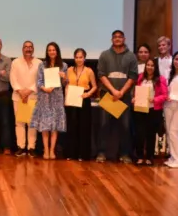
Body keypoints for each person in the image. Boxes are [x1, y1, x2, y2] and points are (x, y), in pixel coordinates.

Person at [96, 30, 138, 164]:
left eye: (120, 37)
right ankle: (101, 153)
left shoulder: (131, 56)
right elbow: (101, 74)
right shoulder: (104, 55)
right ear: (111, 40)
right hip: (108, 96)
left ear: (124, 39)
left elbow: (133, 76)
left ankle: (125, 154)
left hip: (124, 97)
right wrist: (113, 91)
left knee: (125, 126)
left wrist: (121, 92)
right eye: (115, 37)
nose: (118, 39)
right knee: (103, 125)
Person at [31, 42, 67, 160]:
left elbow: (65, 83)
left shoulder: (64, 66)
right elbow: (39, 81)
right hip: (45, 97)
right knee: (45, 126)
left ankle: (52, 150)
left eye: (54, 50)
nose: (51, 52)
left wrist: (64, 77)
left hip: (57, 97)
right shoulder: (42, 65)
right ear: (47, 52)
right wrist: (44, 88)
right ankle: (45, 150)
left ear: (57, 51)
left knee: (55, 125)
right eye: (49, 50)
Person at [132, 58, 168, 166]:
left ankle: (149, 157)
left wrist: (155, 99)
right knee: (139, 134)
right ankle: (139, 156)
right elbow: (135, 91)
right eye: (148, 65)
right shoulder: (140, 78)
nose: (150, 67)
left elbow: (165, 95)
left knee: (150, 134)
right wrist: (134, 98)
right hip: (140, 109)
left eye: (152, 65)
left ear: (155, 67)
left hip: (153, 110)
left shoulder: (160, 79)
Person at [64, 48, 97, 161]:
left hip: (84, 98)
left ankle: (83, 154)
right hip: (72, 98)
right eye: (77, 57)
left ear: (84, 58)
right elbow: (67, 85)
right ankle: (71, 153)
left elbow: (95, 86)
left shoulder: (89, 71)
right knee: (72, 126)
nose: (79, 59)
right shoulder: (69, 70)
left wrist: (88, 94)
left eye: (81, 57)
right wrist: (66, 98)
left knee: (83, 127)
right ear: (74, 58)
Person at [10, 40, 41, 157]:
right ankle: (21, 147)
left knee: (32, 123)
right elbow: (13, 79)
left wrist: (28, 91)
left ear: (33, 49)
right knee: (19, 123)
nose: (28, 49)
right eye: (26, 47)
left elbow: (39, 80)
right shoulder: (15, 62)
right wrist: (20, 91)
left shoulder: (39, 63)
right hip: (18, 97)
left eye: (30, 47)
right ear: (22, 49)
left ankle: (31, 147)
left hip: (33, 96)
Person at [156, 36, 173, 157]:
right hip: (157, 94)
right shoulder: (155, 60)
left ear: (169, 46)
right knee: (157, 121)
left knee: (169, 122)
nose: (162, 47)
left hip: (170, 94)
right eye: (160, 45)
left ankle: (170, 148)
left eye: (164, 45)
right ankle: (157, 147)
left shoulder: (173, 60)